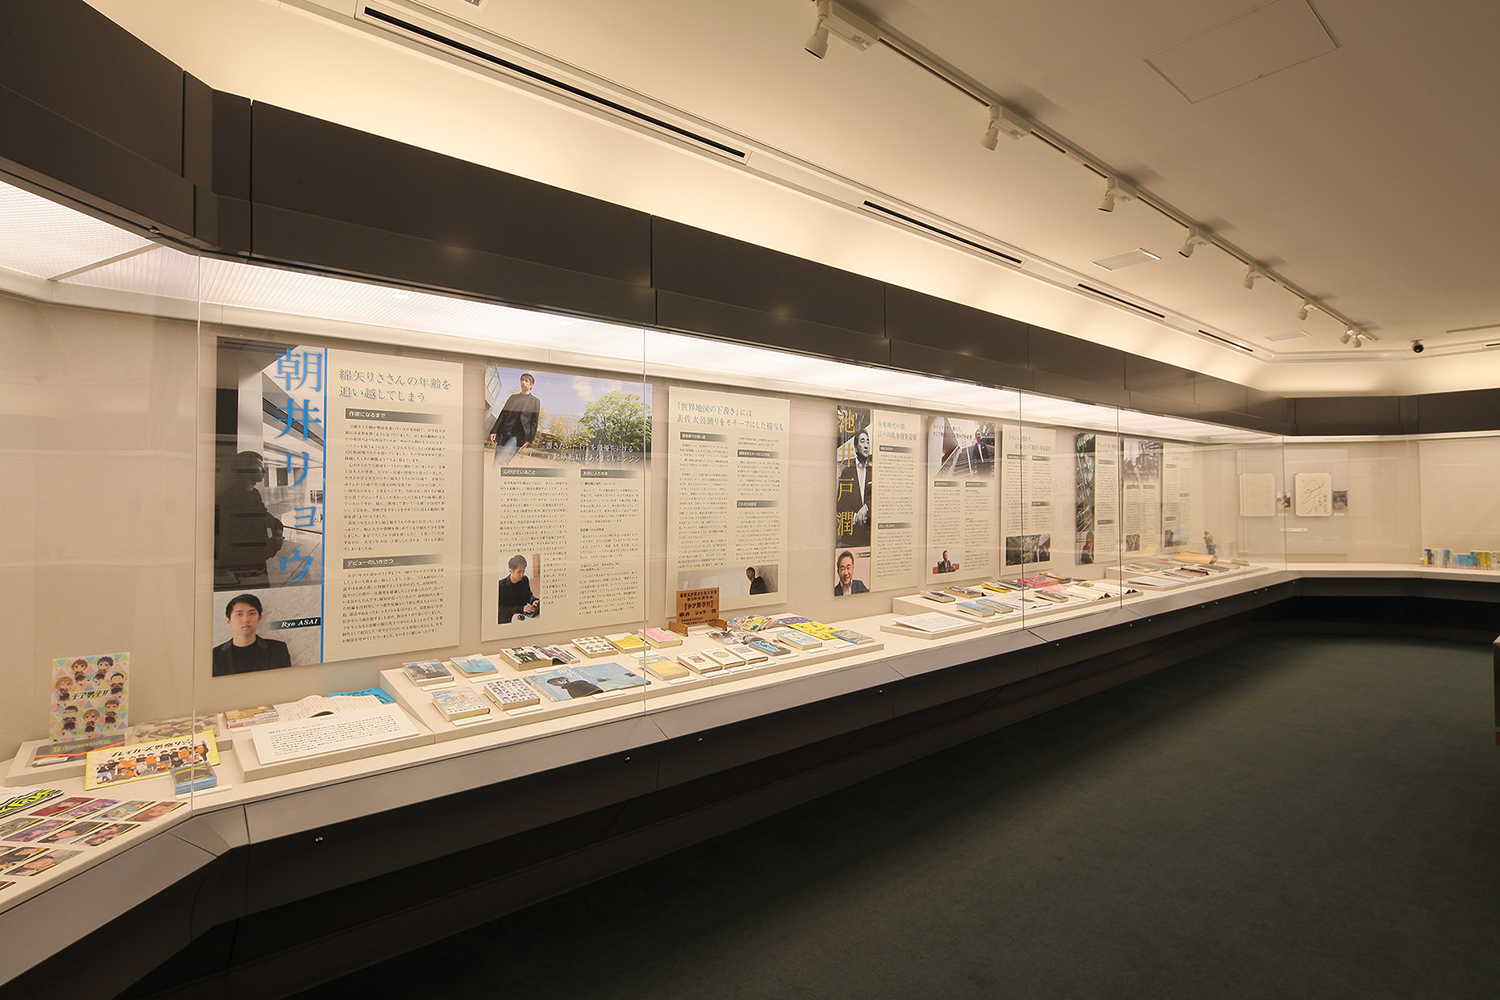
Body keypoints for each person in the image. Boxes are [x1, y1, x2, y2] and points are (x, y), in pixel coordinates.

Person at [214, 451, 285, 586]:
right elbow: (240, 546)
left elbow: (265, 517)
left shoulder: (254, 493)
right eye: (259, 466)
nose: (264, 470)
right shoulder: (230, 499)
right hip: (243, 569)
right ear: (244, 469)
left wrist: (277, 528)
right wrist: (273, 544)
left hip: (255, 564)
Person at [212, 593, 292, 675]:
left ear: (260, 618)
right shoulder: (214, 656)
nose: (245, 620)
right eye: (239, 614)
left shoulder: (278, 650)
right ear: (228, 621)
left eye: (251, 613)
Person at [489, 372, 541, 466]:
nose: (523, 382)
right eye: (522, 380)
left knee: (501, 461)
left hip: (517, 436)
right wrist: (494, 430)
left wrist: (529, 438)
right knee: (496, 461)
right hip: (504, 432)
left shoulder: (535, 401)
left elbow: (534, 421)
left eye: (526, 381)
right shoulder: (513, 398)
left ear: (531, 385)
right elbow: (503, 414)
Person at [835, 426, 873, 547]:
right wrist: (856, 517)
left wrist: (867, 507)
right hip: (852, 537)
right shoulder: (847, 471)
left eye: (868, 442)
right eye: (862, 441)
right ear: (856, 447)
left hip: (869, 534)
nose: (866, 446)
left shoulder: (873, 472)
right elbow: (841, 504)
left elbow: (879, 496)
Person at [498, 554, 540, 623]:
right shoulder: (501, 585)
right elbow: (501, 610)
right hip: (508, 618)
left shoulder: (525, 579)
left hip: (522, 615)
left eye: (524, 570)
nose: (522, 574)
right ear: (511, 571)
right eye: (519, 571)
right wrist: (521, 608)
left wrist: (533, 600)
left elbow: (528, 595)